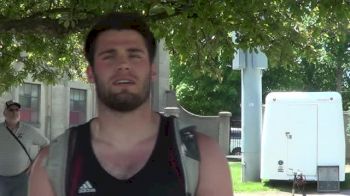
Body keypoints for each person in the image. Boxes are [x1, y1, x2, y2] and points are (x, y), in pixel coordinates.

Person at [29, 12, 233, 196]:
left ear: (152, 70)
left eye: (134, 55)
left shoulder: (202, 156)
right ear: (90, 73)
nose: (123, 65)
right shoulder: (53, 163)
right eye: (109, 56)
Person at [0, 100, 49, 196]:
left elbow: (46, 145)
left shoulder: (29, 130)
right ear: (4, 113)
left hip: (22, 179)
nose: (14, 112)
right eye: (11, 110)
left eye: (17, 110)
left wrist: (35, 164)